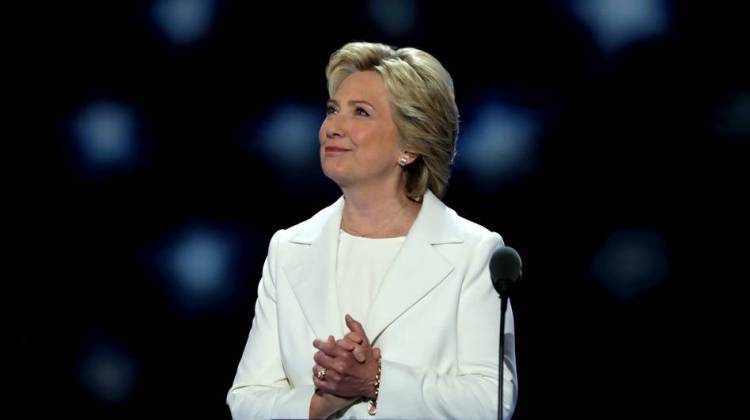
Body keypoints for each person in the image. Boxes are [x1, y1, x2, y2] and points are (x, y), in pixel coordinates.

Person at [226, 41, 518, 419]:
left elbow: (491, 401)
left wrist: (374, 380)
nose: (333, 127)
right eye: (333, 110)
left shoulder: (474, 252)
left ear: (411, 145)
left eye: (360, 113)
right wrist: (320, 404)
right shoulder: (288, 248)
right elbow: (247, 399)